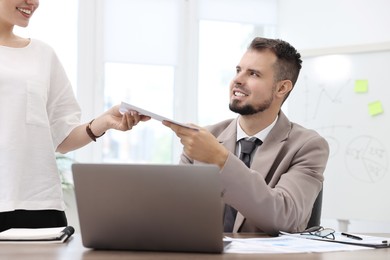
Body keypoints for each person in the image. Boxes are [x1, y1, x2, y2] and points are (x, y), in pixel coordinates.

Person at [0, 0, 150, 232]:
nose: (32, 2)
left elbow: (62, 138)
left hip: (38, 204)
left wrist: (104, 122)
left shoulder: (42, 55)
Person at [163, 37, 330, 235]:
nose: (237, 80)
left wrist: (221, 159)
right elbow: (175, 214)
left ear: (282, 88)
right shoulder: (205, 137)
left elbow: (285, 217)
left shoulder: (308, 146)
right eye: (238, 70)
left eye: (254, 74)